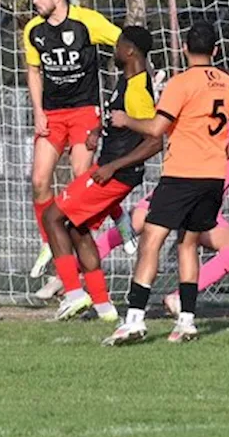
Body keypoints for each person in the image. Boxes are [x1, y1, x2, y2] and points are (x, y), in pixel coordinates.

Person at [103, 21, 229, 345]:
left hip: (182, 174)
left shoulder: (181, 83)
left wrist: (126, 119)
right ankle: (186, 321)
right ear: (215, 50)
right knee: (189, 243)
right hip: (212, 178)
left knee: (151, 241)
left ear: (184, 48)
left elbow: (157, 128)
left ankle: (135, 320)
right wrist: (217, 155)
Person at [91, 127, 229, 315]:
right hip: (173, 195)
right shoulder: (200, 126)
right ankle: (71, 276)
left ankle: (177, 299)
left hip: (204, 208)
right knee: (130, 229)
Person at [41, 26, 159, 323]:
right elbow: (123, 123)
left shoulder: (137, 88)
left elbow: (155, 139)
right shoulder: (126, 80)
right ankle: (104, 307)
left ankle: (74, 293)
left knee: (52, 216)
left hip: (115, 173)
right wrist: (99, 131)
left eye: (118, 44)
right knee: (76, 229)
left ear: (130, 50)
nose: (115, 49)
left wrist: (113, 166)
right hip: (113, 167)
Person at [23, 0, 127, 279]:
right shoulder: (33, 30)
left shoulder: (87, 21)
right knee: (40, 180)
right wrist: (38, 112)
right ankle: (49, 242)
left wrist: (131, 81)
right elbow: (33, 71)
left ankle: (118, 216)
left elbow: (124, 42)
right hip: (53, 115)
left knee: (82, 178)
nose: (34, 1)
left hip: (84, 111)